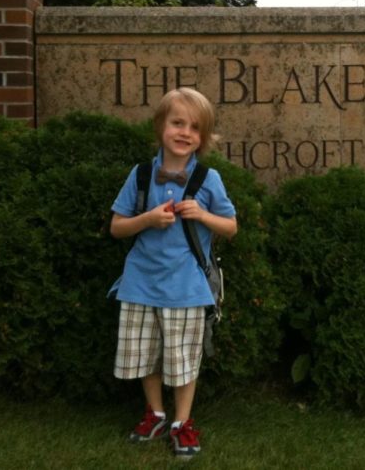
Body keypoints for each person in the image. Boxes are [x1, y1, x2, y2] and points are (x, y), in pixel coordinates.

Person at [108, 87, 237, 460]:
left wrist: (203, 215)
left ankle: (183, 421)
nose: (185, 133)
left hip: (185, 286)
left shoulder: (208, 179)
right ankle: (156, 414)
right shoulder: (142, 174)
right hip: (140, 283)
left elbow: (230, 227)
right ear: (160, 126)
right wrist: (147, 219)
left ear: (202, 137)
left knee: (182, 359)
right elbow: (117, 227)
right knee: (145, 355)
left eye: (195, 128)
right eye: (177, 123)